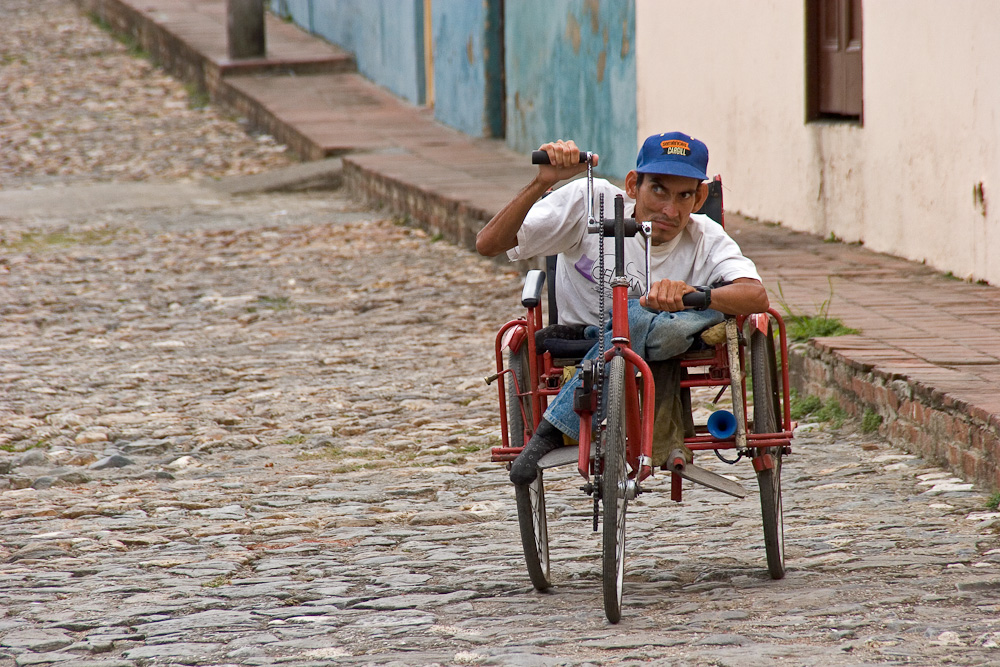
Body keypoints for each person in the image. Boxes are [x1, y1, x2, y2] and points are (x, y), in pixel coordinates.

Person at [476, 132, 768, 486]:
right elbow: (488, 243)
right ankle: (630, 330)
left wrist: (697, 293)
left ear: (700, 196)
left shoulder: (705, 237)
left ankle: (554, 428)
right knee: (636, 317)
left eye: (684, 195)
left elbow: (756, 297)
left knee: (661, 323)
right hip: (588, 334)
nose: (670, 210)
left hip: (666, 336)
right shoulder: (589, 201)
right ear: (633, 184)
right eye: (658, 190)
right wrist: (542, 183)